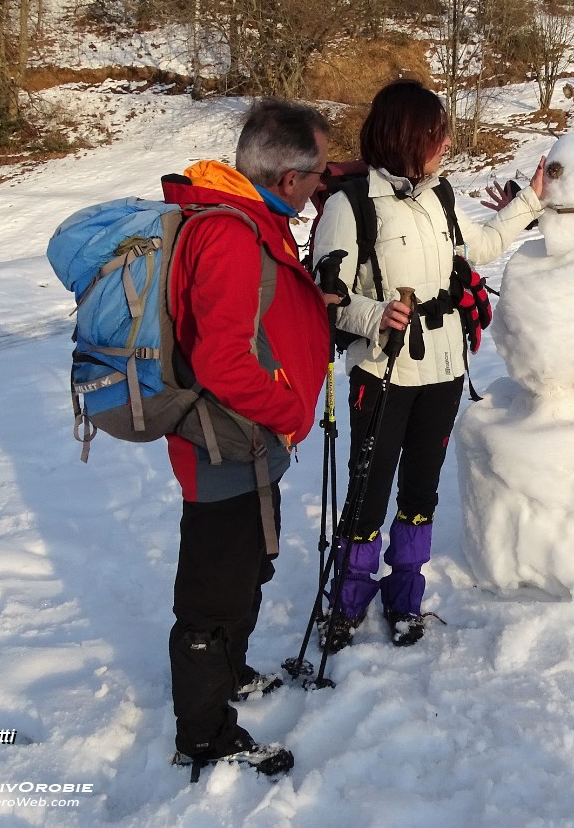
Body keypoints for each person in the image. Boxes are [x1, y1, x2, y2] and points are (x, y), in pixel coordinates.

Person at [310, 79, 544, 650]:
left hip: (441, 371)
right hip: (381, 371)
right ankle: (348, 602)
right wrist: (374, 315)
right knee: (368, 491)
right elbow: (325, 293)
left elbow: (479, 244)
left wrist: (532, 201)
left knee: (421, 491)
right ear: (408, 136)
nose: (444, 143)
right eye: (436, 133)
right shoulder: (352, 204)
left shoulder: (438, 196)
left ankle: (406, 597)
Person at [165, 99, 333, 776]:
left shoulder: (257, 214)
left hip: (251, 443)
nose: (324, 183)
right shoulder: (232, 236)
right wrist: (290, 409)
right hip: (224, 445)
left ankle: (230, 672)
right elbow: (222, 361)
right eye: (318, 173)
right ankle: (203, 735)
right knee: (211, 597)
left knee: (249, 569)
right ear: (289, 180)